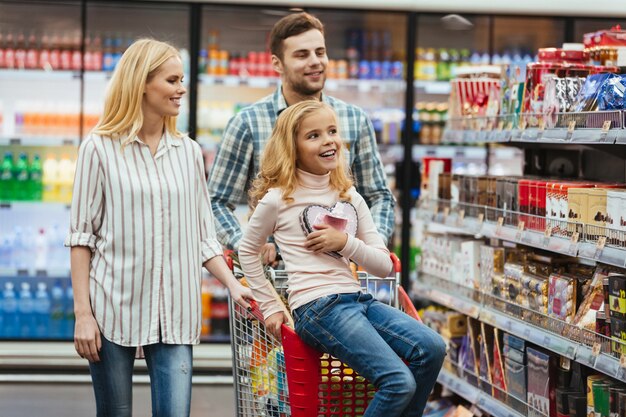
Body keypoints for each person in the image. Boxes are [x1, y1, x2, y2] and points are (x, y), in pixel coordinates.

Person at [65, 38, 252, 417]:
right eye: (172, 80)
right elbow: (81, 238)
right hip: (112, 308)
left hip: (175, 311)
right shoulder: (99, 149)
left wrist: (234, 286)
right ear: (141, 84)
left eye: (182, 79)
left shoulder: (188, 153)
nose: (181, 89)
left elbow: (203, 237)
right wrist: (82, 314)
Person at [238, 100, 446, 417]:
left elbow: (384, 266)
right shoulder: (278, 199)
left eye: (332, 131)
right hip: (317, 307)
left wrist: (345, 243)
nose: (329, 140)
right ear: (291, 148)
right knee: (397, 382)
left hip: (358, 299)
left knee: (432, 348)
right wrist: (269, 305)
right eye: (314, 135)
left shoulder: (350, 196)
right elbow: (247, 251)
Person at [208, 12, 395, 264]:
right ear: (277, 63)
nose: (315, 61)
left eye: (320, 52)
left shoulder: (354, 119)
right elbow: (216, 202)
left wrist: (371, 248)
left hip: (340, 270)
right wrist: (247, 245)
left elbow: (379, 196)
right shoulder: (247, 123)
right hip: (277, 275)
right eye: (301, 54)